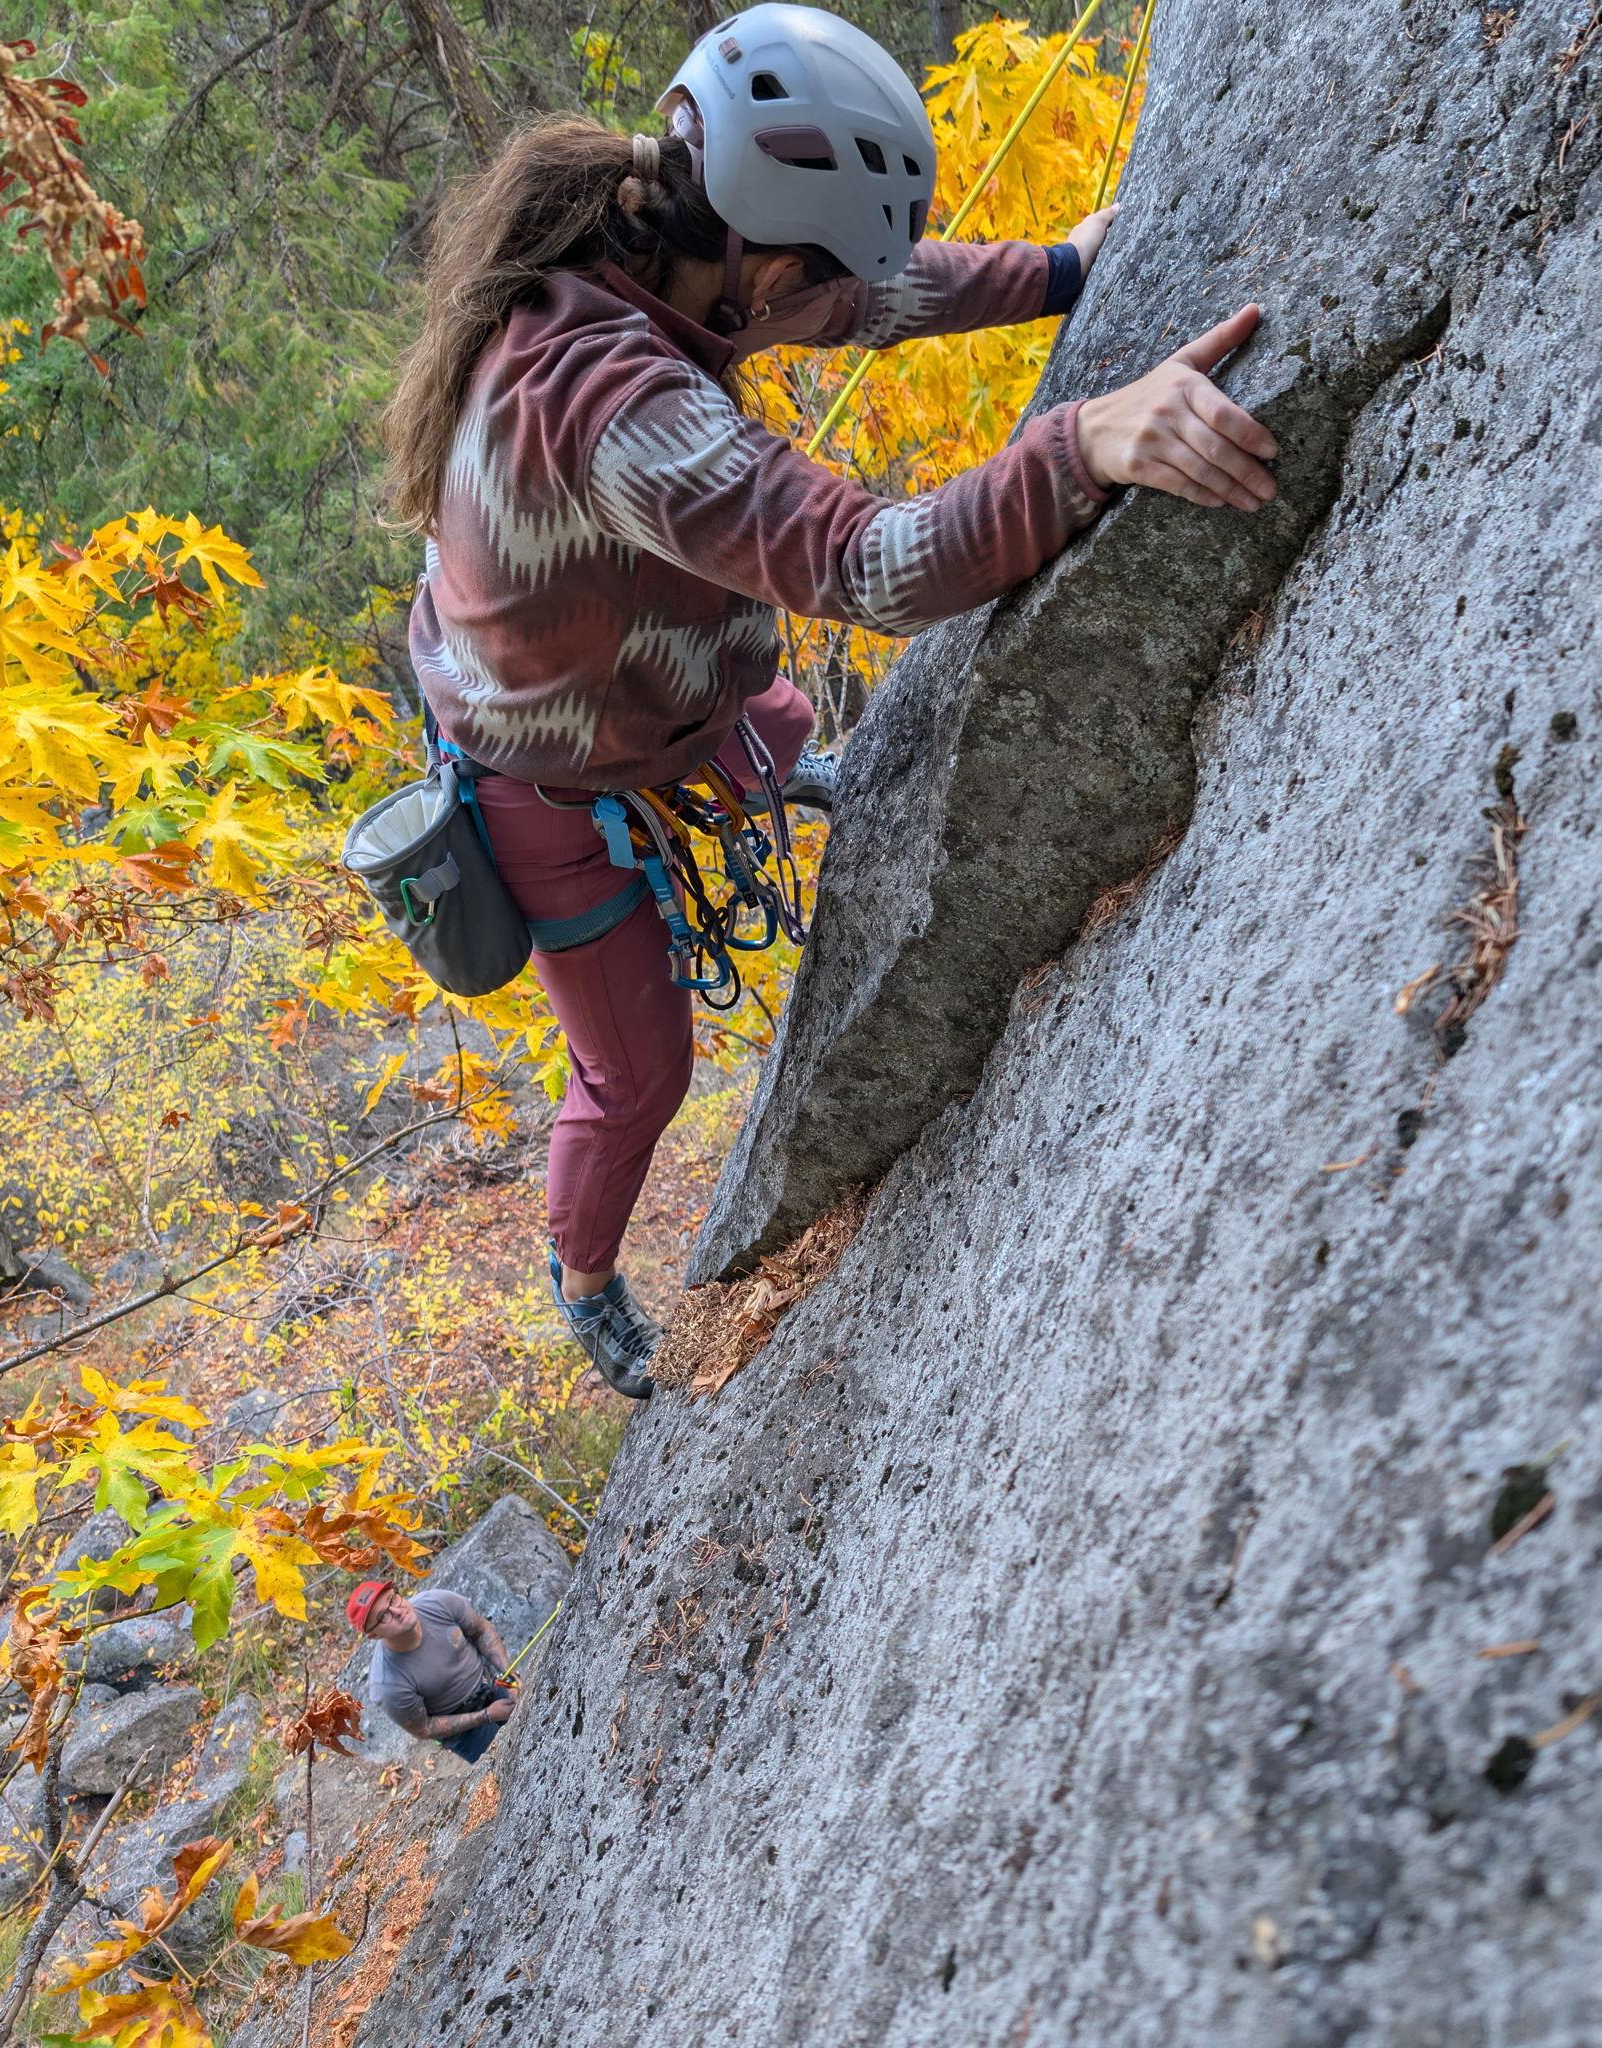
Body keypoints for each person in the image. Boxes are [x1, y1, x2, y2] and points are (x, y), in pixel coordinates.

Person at [383, 4, 1279, 1401]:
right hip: (546, 786)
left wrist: (1060, 270)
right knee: (639, 1073)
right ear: (765, 262)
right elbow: (870, 566)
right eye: (820, 277)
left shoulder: (654, 239)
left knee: (791, 735)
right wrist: (1082, 444)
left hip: (654, 691)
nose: (836, 303)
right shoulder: (615, 408)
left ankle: (760, 771)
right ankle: (583, 1273)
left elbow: (862, 297)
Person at [348, 1578, 517, 1763]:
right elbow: (424, 1728)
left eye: (392, 1599)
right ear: (374, 1635)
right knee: (508, 1762)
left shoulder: (437, 1602)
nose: (397, 1611)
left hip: (491, 1682)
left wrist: (510, 1676)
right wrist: (487, 1715)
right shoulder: (387, 1684)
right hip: (463, 1730)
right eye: (383, 1616)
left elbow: (481, 1631)